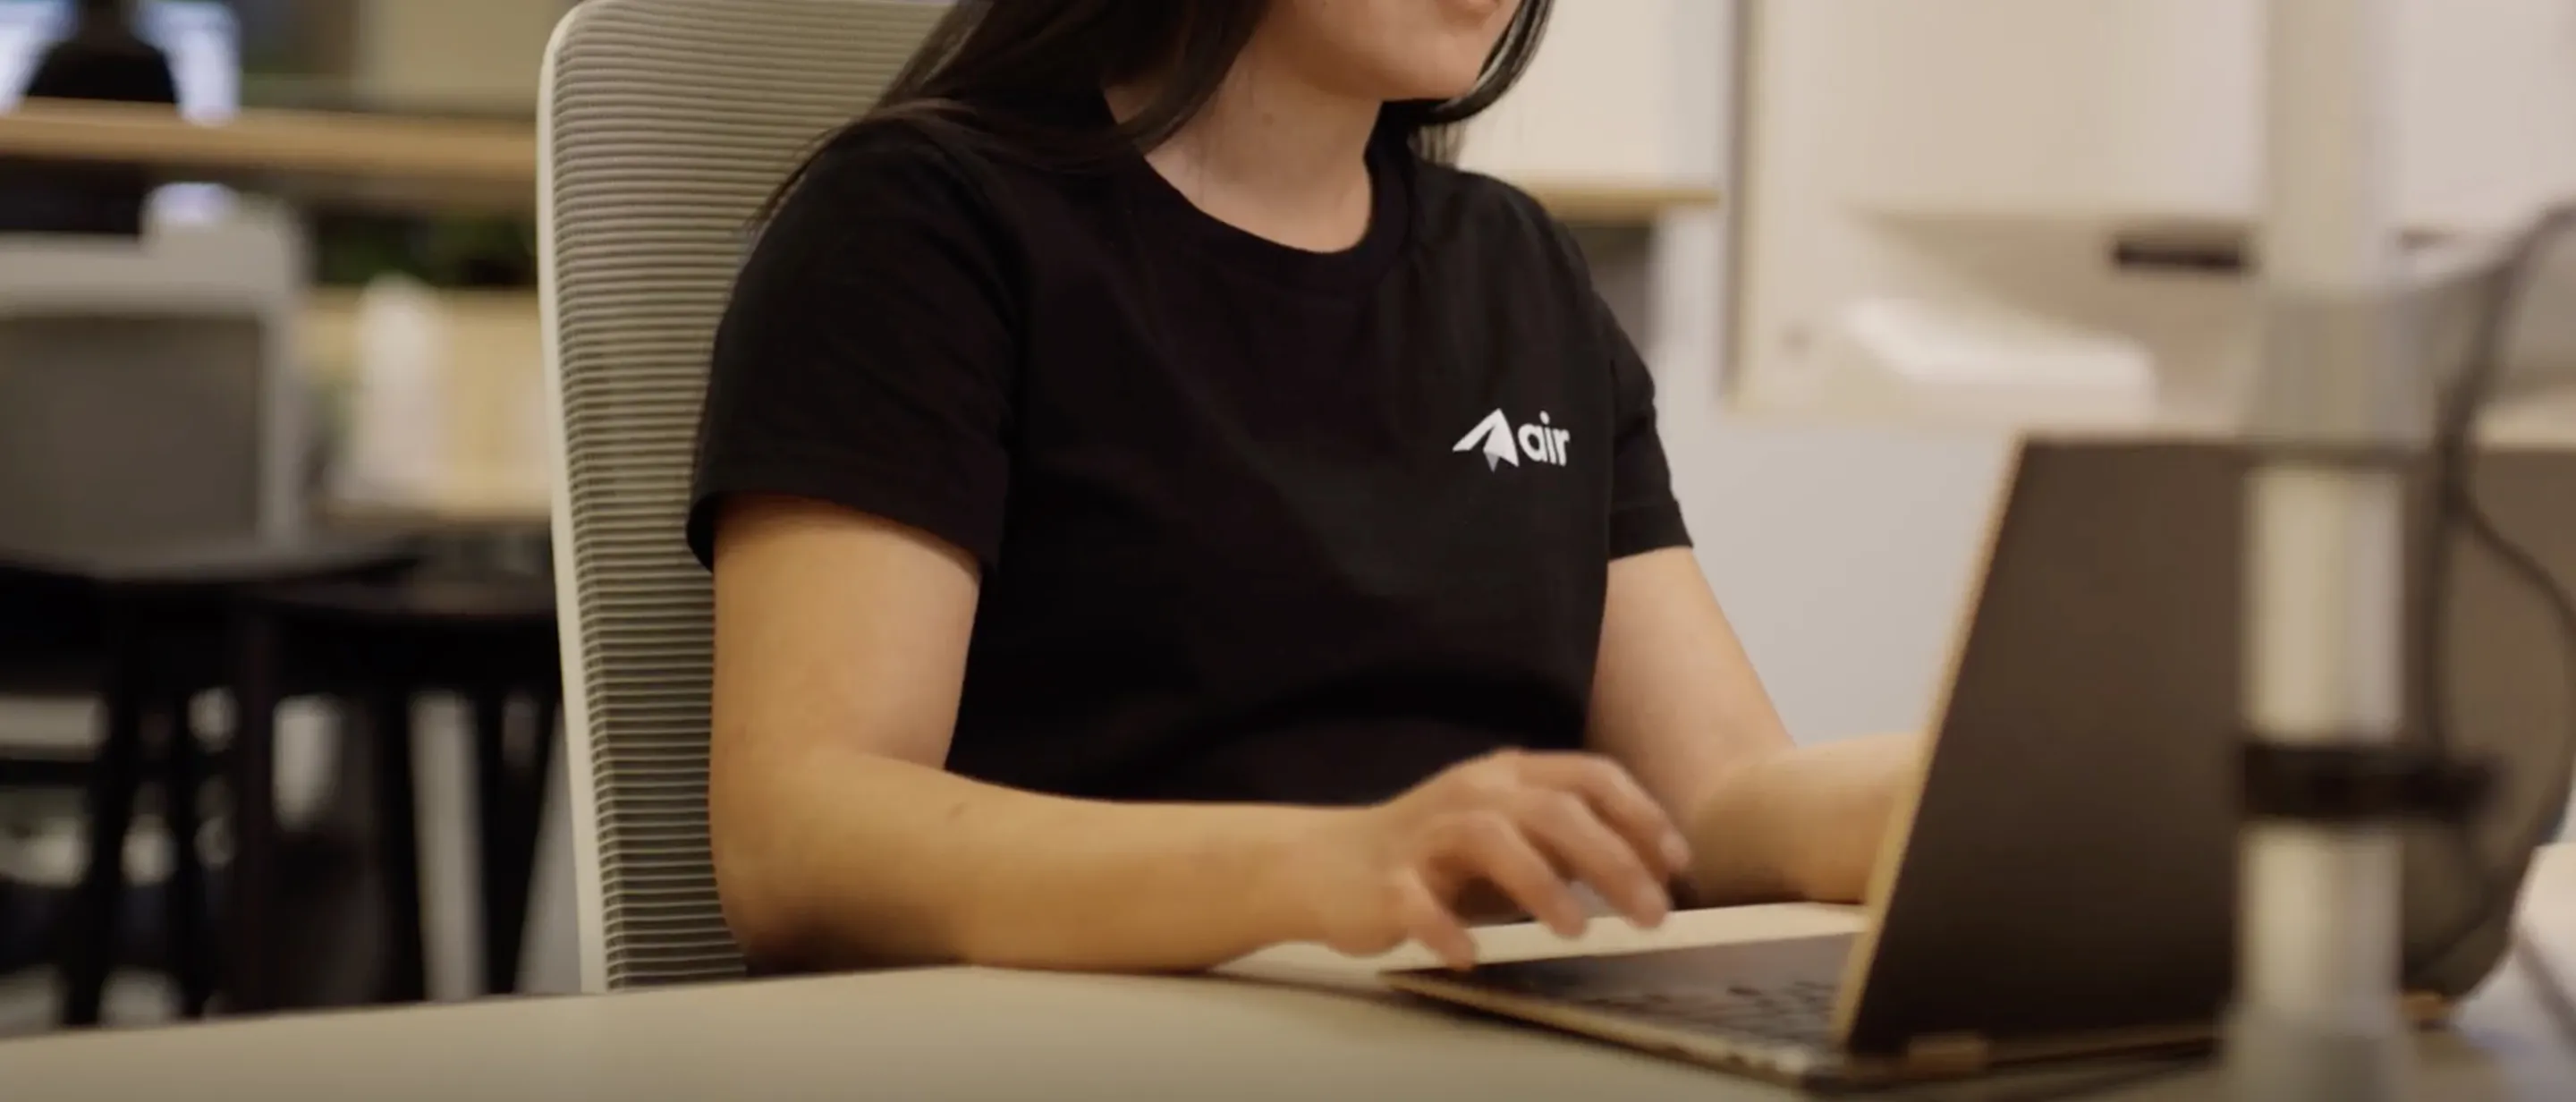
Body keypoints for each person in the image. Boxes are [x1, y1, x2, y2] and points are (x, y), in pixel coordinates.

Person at [691, 0, 1922, 977]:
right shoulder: (919, 230)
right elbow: (800, 842)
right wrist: (1330, 869)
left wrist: (1969, 799)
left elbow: (1712, 804)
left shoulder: (1519, 272)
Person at [0, 0, 177, 235]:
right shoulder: (61, 59)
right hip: (61, 207)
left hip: (112, 211)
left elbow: (169, 141)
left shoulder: (146, 63)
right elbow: (26, 135)